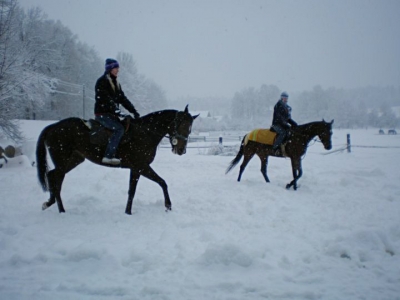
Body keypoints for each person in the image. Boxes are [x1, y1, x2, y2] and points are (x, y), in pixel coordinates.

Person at [94, 58, 140, 165]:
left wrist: (134, 111)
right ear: (110, 69)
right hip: (102, 114)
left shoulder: (116, 83)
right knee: (119, 129)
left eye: (118, 68)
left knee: (128, 126)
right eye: (115, 68)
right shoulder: (102, 81)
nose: (118, 70)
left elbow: (122, 99)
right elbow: (106, 100)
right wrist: (118, 112)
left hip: (111, 114)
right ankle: (108, 156)